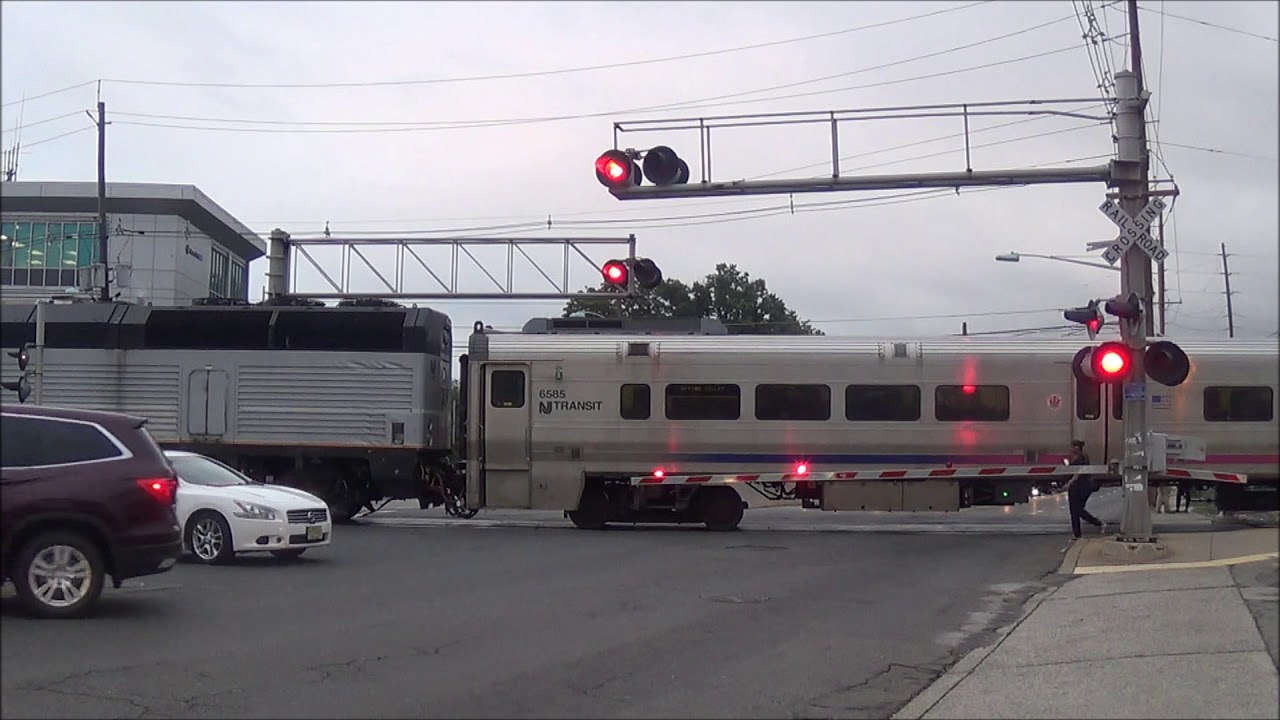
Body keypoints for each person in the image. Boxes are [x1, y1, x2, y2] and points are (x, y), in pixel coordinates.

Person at [1064, 440, 1105, 539]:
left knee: (1076, 510)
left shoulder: (1082, 458)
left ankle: (1094, 524)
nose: (1070, 449)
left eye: (1072, 447)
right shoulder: (1076, 458)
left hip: (1081, 487)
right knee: (1076, 510)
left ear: (1077, 448)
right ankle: (1081, 531)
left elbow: (1078, 473)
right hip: (1078, 487)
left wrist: (1069, 484)